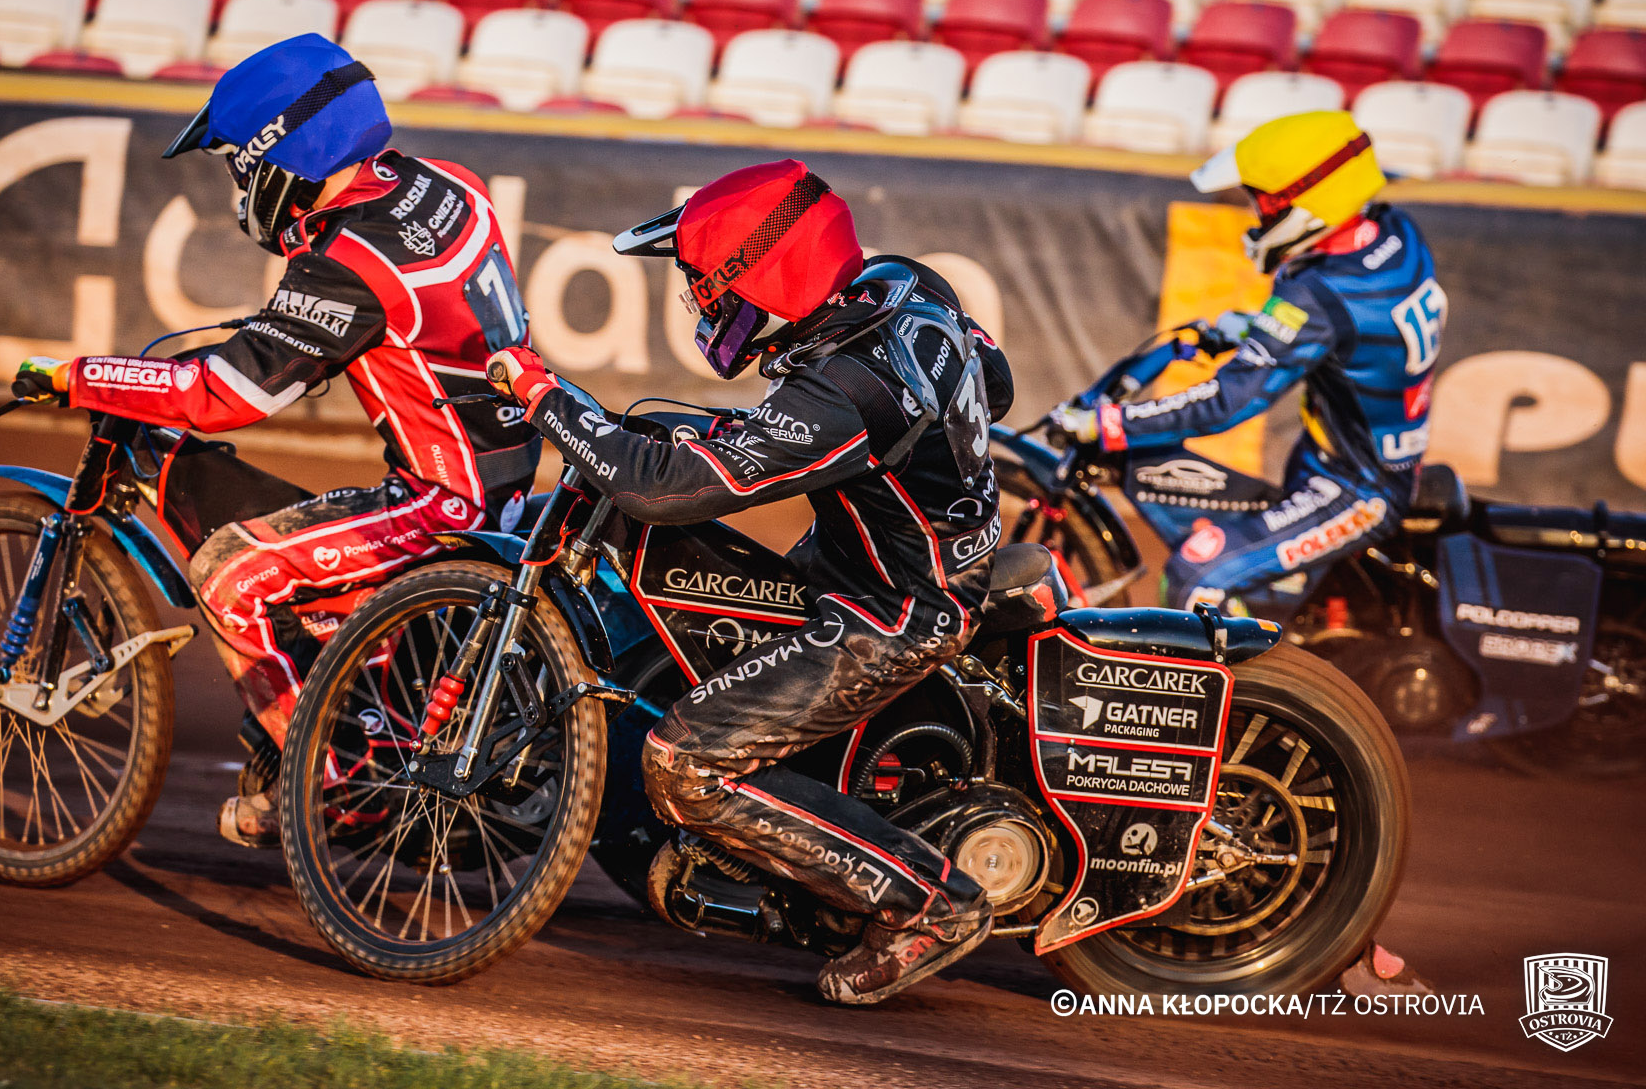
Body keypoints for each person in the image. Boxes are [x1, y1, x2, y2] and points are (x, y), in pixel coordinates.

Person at [483, 160, 1012, 1006]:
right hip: (888, 558)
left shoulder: (847, 387)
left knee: (685, 762)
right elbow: (998, 383)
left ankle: (928, 904)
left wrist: (545, 395)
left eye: (707, 285)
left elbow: (660, 490)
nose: (701, 302)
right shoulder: (902, 285)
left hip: (894, 611)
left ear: (764, 274)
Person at [10, 34, 539, 846]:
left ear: (277, 155)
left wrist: (77, 376)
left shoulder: (348, 259)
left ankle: (334, 787)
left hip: (442, 504)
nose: (239, 185)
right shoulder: (445, 183)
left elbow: (222, 395)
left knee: (231, 574)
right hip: (507, 478)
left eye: (238, 165)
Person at [1050, 110, 1447, 623]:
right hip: (1351, 461)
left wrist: (1108, 423)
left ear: (1308, 205)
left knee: (1195, 576)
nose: (1256, 217)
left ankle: (1240, 677)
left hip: (1354, 490)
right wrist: (1257, 328)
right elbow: (1355, 332)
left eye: (1265, 204)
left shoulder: (1315, 293)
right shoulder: (1396, 232)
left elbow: (1227, 402)